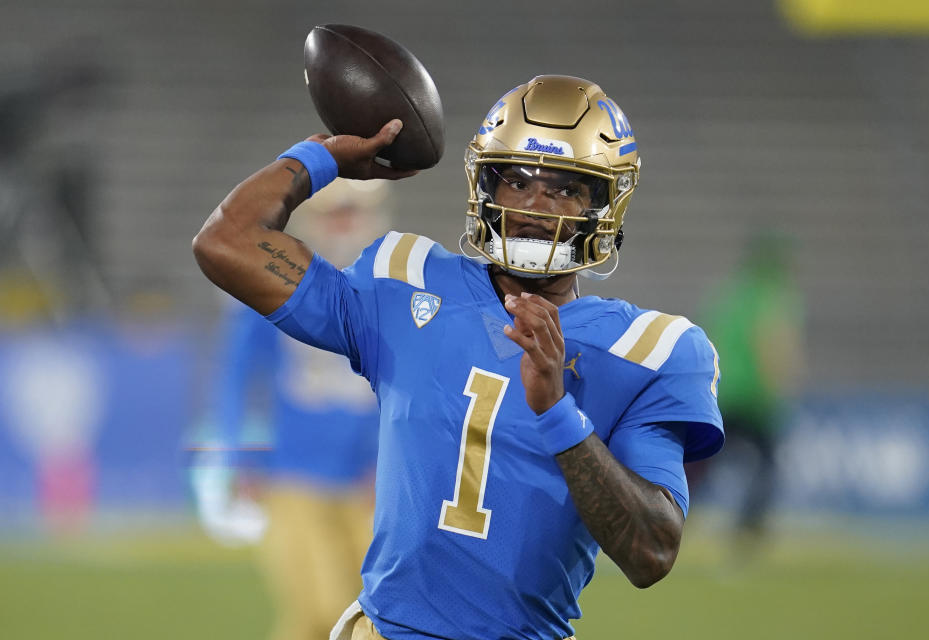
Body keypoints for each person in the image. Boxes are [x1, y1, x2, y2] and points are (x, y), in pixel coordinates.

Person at [194, 75, 724, 640]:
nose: (536, 205)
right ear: (484, 187)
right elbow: (225, 241)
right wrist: (320, 159)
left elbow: (652, 552)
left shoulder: (646, 351)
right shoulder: (405, 282)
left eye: (567, 187)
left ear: (605, 205)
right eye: (515, 180)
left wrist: (557, 412)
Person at [203, 180, 388, 640]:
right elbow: (238, 377)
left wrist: (392, 462)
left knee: (370, 618)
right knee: (325, 611)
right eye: (334, 213)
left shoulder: (389, 294)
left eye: (352, 212)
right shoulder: (275, 284)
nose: (344, 223)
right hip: (294, 477)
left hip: (366, 483)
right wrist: (239, 457)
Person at [699, 233, 803, 559]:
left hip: (723, 393)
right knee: (767, 466)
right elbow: (772, 342)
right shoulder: (774, 297)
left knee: (704, 464)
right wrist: (782, 383)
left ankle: (665, 518)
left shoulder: (731, 296)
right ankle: (746, 534)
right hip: (755, 398)